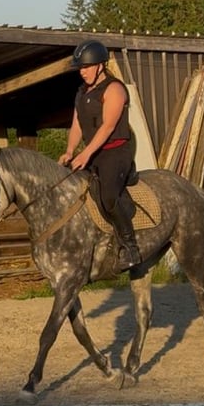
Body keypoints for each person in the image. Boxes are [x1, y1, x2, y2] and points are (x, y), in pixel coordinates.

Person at [57, 39, 142, 271]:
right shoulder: (81, 92)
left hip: (116, 152)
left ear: (100, 65)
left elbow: (107, 127)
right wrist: (70, 151)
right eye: (80, 68)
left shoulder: (114, 89)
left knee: (108, 197)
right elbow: (77, 124)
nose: (82, 72)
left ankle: (130, 247)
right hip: (93, 151)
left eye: (86, 67)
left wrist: (85, 154)